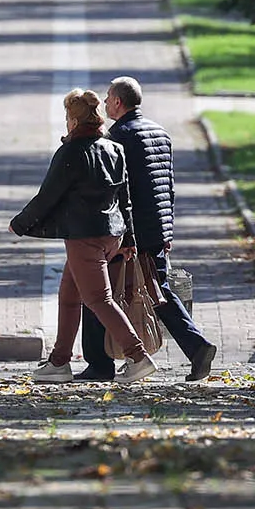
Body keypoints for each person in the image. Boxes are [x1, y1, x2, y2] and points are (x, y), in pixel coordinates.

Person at [9, 88, 160, 385]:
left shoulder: (71, 152)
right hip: (111, 235)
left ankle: (138, 357)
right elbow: (125, 198)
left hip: (84, 237)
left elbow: (47, 196)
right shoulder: (114, 149)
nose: (67, 123)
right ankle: (59, 362)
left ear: (75, 121)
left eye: (68, 117)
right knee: (69, 296)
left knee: (99, 299)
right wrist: (129, 239)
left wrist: (20, 224)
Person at [80, 76, 218, 382]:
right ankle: (197, 347)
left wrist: (123, 235)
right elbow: (167, 186)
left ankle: (100, 363)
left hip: (131, 231)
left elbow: (120, 190)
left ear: (118, 102)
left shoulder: (119, 136)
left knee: (97, 290)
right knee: (158, 291)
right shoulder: (159, 132)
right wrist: (167, 231)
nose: (105, 103)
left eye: (108, 98)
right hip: (156, 228)